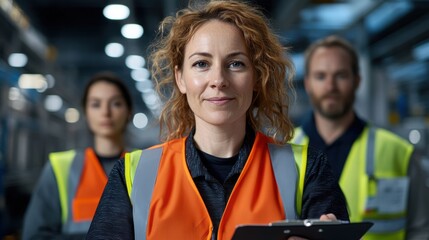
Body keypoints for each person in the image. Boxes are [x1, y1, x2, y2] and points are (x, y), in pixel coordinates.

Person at [86, 1, 349, 240]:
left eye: (236, 64)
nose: (218, 80)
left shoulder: (308, 170)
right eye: (201, 64)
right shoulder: (133, 175)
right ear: (180, 78)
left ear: (256, 77)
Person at [290, 35, 415, 240]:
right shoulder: (282, 151)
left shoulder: (399, 152)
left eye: (341, 76)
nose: (331, 86)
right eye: (321, 76)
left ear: (357, 81)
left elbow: (421, 229)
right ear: (308, 83)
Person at [22, 72, 133, 239]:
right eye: (96, 104)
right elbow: (34, 236)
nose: (105, 112)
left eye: (116, 103)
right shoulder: (60, 168)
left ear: (128, 111)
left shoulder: (144, 167)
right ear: (86, 112)